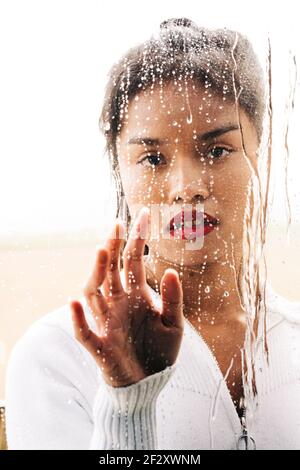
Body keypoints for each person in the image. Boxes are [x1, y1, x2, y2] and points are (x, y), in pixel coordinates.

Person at [5, 18, 300, 450]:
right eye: (152, 159)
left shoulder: (291, 337)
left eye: (218, 150)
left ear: (263, 157)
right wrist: (128, 404)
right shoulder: (56, 356)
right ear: (119, 172)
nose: (187, 187)